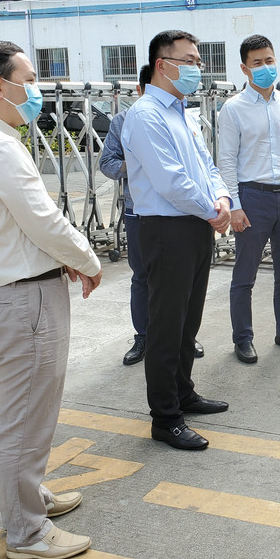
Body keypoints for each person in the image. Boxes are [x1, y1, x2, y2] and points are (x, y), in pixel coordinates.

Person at [0, 40, 103, 559]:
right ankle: (27, 532)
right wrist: (87, 259)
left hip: (8, 296)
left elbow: (17, 224)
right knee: (24, 420)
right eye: (29, 81)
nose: (36, 92)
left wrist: (62, 258)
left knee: (16, 414)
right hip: (23, 302)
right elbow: (43, 219)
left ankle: (28, 498)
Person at [121, 30, 231, 451]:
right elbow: (171, 181)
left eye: (198, 62)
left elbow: (206, 166)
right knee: (166, 326)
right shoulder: (145, 114)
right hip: (167, 229)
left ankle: (184, 392)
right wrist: (213, 210)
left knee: (188, 320)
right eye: (189, 61)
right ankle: (165, 417)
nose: (196, 69)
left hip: (196, 223)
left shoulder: (183, 113)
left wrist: (222, 199)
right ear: (162, 65)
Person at [217, 35, 280, 364]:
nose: (265, 67)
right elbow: (226, 161)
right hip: (252, 198)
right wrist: (235, 206)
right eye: (257, 63)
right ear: (245, 69)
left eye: (269, 61)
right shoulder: (233, 109)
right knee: (245, 275)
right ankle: (243, 338)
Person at [99, 64, 203, 365]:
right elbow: (107, 164)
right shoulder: (124, 121)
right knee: (143, 276)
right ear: (140, 90)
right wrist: (141, 162)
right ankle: (144, 336)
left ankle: (184, 335)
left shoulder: (184, 117)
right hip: (140, 212)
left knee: (183, 279)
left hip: (182, 211)